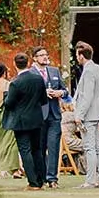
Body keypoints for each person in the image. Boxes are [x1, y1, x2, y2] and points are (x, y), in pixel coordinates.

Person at [70, 40, 99, 188]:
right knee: (98, 147)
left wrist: (80, 115)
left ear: (81, 56)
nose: (76, 57)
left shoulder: (89, 70)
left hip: (88, 114)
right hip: (95, 114)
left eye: (77, 54)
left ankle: (90, 181)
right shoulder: (97, 68)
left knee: (89, 147)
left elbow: (88, 95)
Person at [0, 54, 50, 189]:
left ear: (14, 64)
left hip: (21, 121)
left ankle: (33, 182)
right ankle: (41, 180)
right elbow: (44, 100)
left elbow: (9, 103)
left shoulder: (15, 83)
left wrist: (5, 97)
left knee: (25, 150)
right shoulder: (38, 79)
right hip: (36, 118)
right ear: (28, 63)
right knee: (37, 150)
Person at [34, 47, 68, 188]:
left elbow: (66, 91)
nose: (45, 57)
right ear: (35, 58)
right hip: (38, 116)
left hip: (54, 115)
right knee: (40, 148)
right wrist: (42, 93)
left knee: (53, 147)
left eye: (46, 54)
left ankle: (52, 179)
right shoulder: (30, 73)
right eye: (41, 55)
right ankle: (40, 178)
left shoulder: (54, 71)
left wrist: (60, 92)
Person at [0, 62, 22, 179]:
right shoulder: (8, 84)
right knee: (12, 143)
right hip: (7, 116)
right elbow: (12, 101)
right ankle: (15, 170)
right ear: (4, 72)